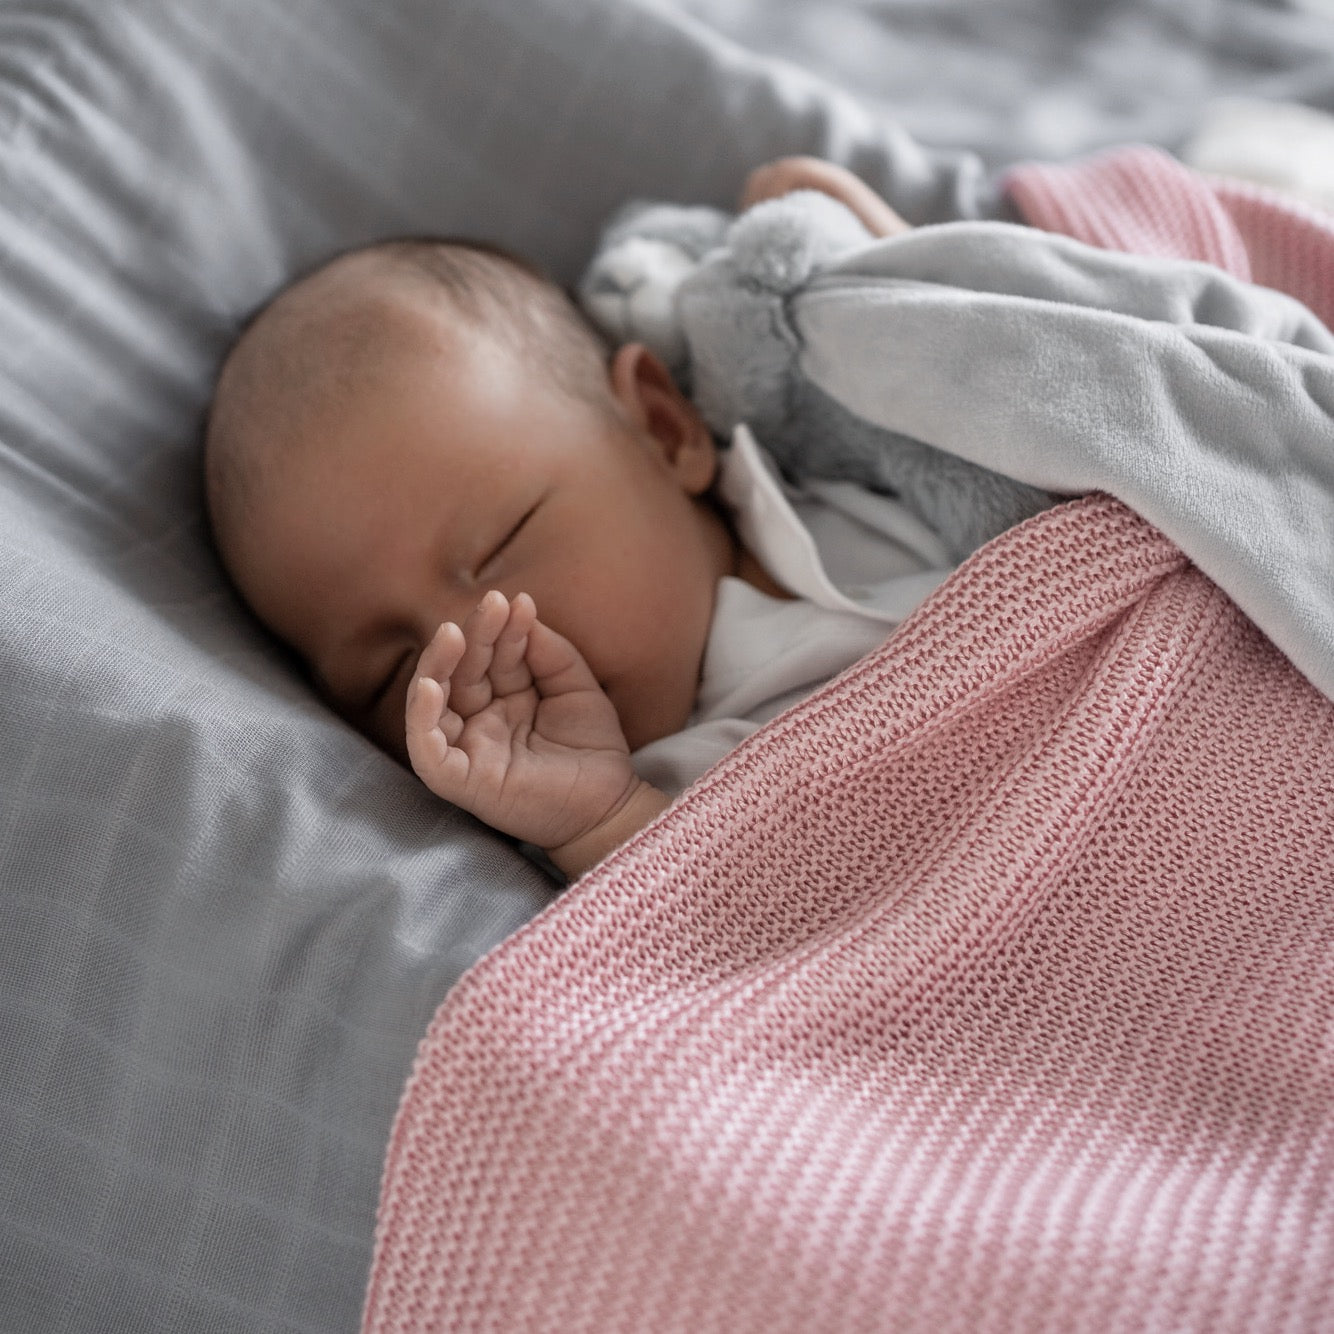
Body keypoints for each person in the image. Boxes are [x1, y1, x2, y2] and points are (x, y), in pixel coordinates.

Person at [204, 157, 928, 880]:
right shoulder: (611, 818)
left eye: (502, 544)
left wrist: (877, 256)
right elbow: (770, 927)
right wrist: (601, 819)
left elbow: (986, 363)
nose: (478, 656)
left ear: (663, 429)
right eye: (391, 676)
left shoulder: (863, 472)